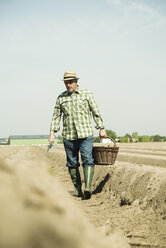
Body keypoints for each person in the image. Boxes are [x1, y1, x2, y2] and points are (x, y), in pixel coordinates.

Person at [49, 71, 106, 199]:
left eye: (70, 82)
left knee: (87, 159)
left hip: (85, 134)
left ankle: (88, 188)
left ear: (76, 82)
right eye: (66, 82)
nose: (68, 85)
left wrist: (101, 128)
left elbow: (95, 111)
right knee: (72, 163)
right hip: (69, 136)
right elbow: (56, 116)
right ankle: (78, 189)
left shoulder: (87, 94)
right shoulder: (61, 98)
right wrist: (52, 133)